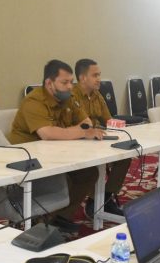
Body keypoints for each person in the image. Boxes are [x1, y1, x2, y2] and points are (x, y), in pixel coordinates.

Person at [9, 60, 102, 231]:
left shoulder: (67, 98)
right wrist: (80, 132)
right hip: (29, 161)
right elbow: (48, 134)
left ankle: (58, 217)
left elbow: (87, 123)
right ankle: (41, 220)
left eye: (71, 82)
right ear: (49, 83)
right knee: (65, 177)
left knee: (89, 173)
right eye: (64, 82)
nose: (70, 86)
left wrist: (73, 131)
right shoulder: (34, 101)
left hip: (56, 154)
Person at [72, 59, 131, 217]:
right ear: (82, 78)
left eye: (99, 75)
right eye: (95, 75)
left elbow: (108, 120)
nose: (99, 79)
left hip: (96, 140)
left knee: (125, 157)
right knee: (94, 163)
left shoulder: (97, 95)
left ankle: (105, 197)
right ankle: (93, 201)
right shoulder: (72, 95)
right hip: (77, 142)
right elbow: (81, 124)